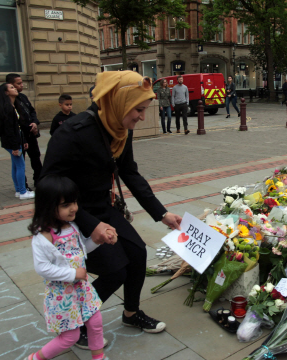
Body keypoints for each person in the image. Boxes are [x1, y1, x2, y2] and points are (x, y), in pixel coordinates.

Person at [40, 71, 183, 349]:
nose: (141, 117)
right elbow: (46, 183)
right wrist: (87, 223)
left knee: (138, 253)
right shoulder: (73, 132)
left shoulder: (120, 128)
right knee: (115, 269)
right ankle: (78, 323)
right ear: (119, 102)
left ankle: (131, 313)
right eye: (138, 110)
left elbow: (130, 172)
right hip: (71, 217)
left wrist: (161, 213)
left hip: (102, 207)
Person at [26, 175, 110, 360]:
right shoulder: (43, 236)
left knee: (95, 321)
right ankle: (36, 358)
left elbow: (81, 251)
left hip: (82, 288)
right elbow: (42, 268)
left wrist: (97, 241)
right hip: (62, 294)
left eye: (74, 202)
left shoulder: (71, 226)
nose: (74, 208)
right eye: (66, 205)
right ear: (47, 206)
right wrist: (72, 273)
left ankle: (98, 357)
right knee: (70, 336)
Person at [0, 83, 35, 200]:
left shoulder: (12, 106)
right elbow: (10, 130)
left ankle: (18, 190)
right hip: (12, 142)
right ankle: (22, 192)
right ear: (6, 93)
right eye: (11, 88)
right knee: (20, 165)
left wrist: (23, 140)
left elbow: (18, 127)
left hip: (16, 140)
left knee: (15, 165)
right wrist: (15, 147)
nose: (15, 88)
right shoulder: (7, 108)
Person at [6, 73, 43, 189]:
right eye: (18, 83)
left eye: (22, 82)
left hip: (31, 133)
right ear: (10, 85)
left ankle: (39, 180)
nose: (22, 85)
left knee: (36, 157)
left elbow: (32, 111)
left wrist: (35, 123)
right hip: (21, 137)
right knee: (20, 163)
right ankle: (23, 186)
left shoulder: (23, 97)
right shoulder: (10, 103)